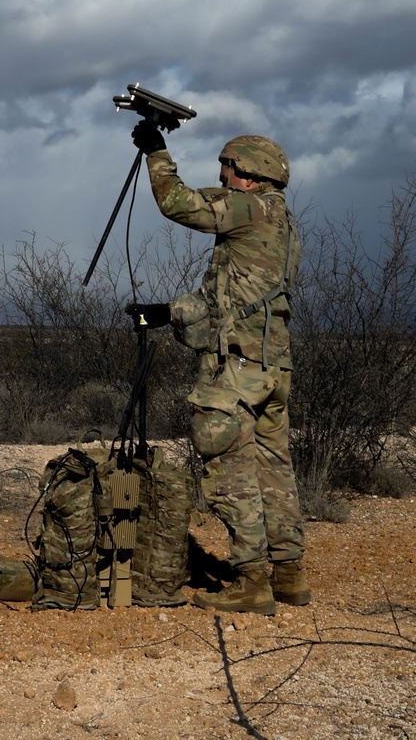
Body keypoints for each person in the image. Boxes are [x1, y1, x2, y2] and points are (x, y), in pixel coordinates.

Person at [131, 123, 309, 615]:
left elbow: (179, 204)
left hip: (238, 374)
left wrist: (157, 153)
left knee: (230, 470)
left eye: (226, 170)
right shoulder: (281, 222)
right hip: (272, 369)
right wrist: (166, 312)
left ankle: (251, 581)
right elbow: (226, 301)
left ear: (249, 176)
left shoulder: (250, 209)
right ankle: (289, 574)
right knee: (275, 471)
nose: (222, 178)